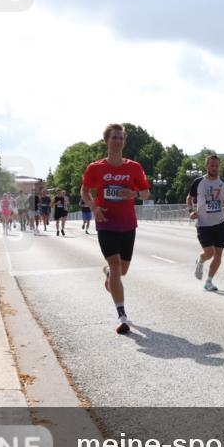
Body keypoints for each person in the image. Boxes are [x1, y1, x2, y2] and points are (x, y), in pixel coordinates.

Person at [81, 124, 150, 334]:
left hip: (128, 224)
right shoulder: (96, 168)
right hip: (106, 223)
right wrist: (94, 207)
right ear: (107, 141)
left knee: (123, 270)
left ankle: (110, 273)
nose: (118, 141)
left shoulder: (134, 167)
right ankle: (122, 316)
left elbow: (146, 193)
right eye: (114, 138)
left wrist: (135, 195)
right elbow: (85, 191)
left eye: (121, 138)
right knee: (116, 265)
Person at [187, 154, 224, 291]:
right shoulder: (198, 182)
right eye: (212, 165)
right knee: (209, 252)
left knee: (218, 255)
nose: (214, 168)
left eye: (217, 166)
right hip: (203, 224)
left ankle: (209, 281)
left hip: (219, 224)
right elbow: (189, 198)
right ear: (207, 166)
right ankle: (200, 261)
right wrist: (190, 211)